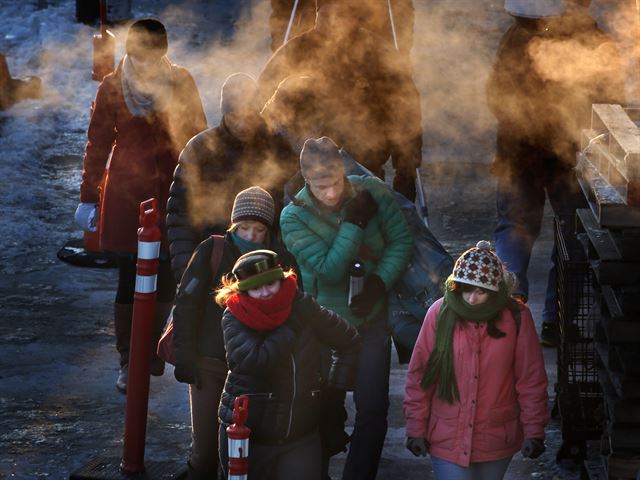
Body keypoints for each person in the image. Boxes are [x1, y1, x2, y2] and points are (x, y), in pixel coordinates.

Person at [76, 18, 207, 393]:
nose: (147, 65)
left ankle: (149, 351)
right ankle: (127, 358)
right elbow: (97, 144)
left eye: (153, 57)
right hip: (125, 194)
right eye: (140, 57)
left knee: (166, 271)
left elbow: (198, 134)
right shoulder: (113, 87)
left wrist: (202, 186)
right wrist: (89, 195)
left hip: (171, 187)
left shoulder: (181, 81)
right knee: (129, 274)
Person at [486, 0, 626, 345]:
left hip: (521, 154)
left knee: (514, 232)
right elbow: (611, 103)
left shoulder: (517, 35)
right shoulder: (594, 39)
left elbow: (494, 96)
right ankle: (558, 323)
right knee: (572, 240)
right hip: (569, 158)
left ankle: (506, 318)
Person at [280, 137, 413, 479]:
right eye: (321, 186)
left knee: (372, 409)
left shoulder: (372, 192)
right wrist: (353, 224)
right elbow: (328, 268)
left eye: (336, 183)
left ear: (344, 173)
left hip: (371, 318)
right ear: (306, 181)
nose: (330, 194)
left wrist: (379, 281)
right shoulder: (293, 218)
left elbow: (401, 241)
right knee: (323, 407)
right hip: (325, 324)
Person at [172, 186, 300, 479]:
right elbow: (187, 304)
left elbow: (297, 309)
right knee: (204, 453)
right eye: (244, 229)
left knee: (242, 455)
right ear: (233, 226)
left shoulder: (281, 261)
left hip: (257, 372)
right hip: (210, 364)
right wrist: (184, 355)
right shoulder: (211, 250)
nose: (251, 237)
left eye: (258, 230)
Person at [403, 241, 549, 479]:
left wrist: (534, 430)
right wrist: (415, 428)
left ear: (494, 291)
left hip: (495, 438)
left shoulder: (516, 318)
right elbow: (420, 375)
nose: (471, 299)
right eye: (466, 289)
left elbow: (530, 379)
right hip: (446, 436)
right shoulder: (439, 313)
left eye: (480, 291)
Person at [216, 249, 360, 480]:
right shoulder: (234, 315)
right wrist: (291, 324)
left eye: (271, 284)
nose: (265, 293)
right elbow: (256, 360)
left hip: (302, 435)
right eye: (256, 288)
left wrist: (333, 393)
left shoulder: (302, 305)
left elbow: (349, 341)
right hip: (249, 434)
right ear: (243, 291)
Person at [257, 1, 423, 200]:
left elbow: (405, 111)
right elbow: (262, 101)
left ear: (354, 17)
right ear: (317, 14)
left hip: (363, 161)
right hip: (307, 163)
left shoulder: (378, 54)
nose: (334, 23)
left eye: (342, 15)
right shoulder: (295, 51)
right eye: (327, 16)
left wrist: (406, 170)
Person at [166, 72, 297, 283]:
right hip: (212, 263)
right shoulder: (200, 150)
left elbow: (291, 214)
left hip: (265, 266)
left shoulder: (278, 149)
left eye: (249, 116)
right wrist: (188, 271)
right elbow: (179, 216)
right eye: (235, 117)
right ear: (224, 114)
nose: (243, 125)